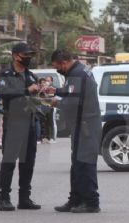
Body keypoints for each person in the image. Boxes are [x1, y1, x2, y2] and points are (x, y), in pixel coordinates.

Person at [47, 49, 101, 213]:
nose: (57, 69)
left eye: (57, 66)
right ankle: (76, 199)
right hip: (84, 124)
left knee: (85, 163)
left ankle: (91, 202)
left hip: (86, 124)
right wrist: (56, 91)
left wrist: (55, 103)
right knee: (77, 163)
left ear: (63, 62)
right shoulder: (79, 71)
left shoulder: (76, 74)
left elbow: (72, 103)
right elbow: (73, 92)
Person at [0, 43, 41, 211]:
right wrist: (27, 90)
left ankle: (24, 198)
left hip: (29, 122)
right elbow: (5, 93)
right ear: (16, 55)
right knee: (9, 162)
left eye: (30, 54)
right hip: (13, 123)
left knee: (28, 162)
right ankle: (4, 198)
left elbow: (33, 96)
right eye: (26, 54)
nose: (28, 57)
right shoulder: (6, 74)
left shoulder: (31, 75)